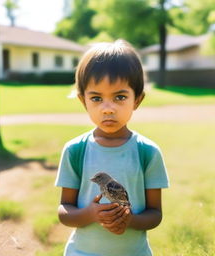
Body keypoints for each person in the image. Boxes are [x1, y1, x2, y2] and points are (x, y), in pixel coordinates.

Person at [55, 39, 169, 256]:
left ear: (137, 100)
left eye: (120, 97)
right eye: (96, 98)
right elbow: (64, 211)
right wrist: (90, 214)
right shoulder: (75, 150)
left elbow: (155, 214)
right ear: (83, 101)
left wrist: (129, 220)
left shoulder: (148, 152)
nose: (108, 109)